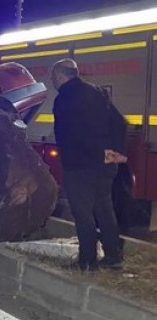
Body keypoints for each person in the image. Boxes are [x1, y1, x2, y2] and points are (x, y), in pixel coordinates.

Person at [51, 58, 123, 271]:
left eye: (53, 77)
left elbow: (69, 135)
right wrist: (115, 152)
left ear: (61, 75)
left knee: (83, 214)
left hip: (80, 166)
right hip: (105, 165)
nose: (52, 81)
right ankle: (113, 257)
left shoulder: (64, 99)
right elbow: (119, 123)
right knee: (104, 209)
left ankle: (88, 261)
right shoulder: (97, 92)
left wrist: (85, 154)